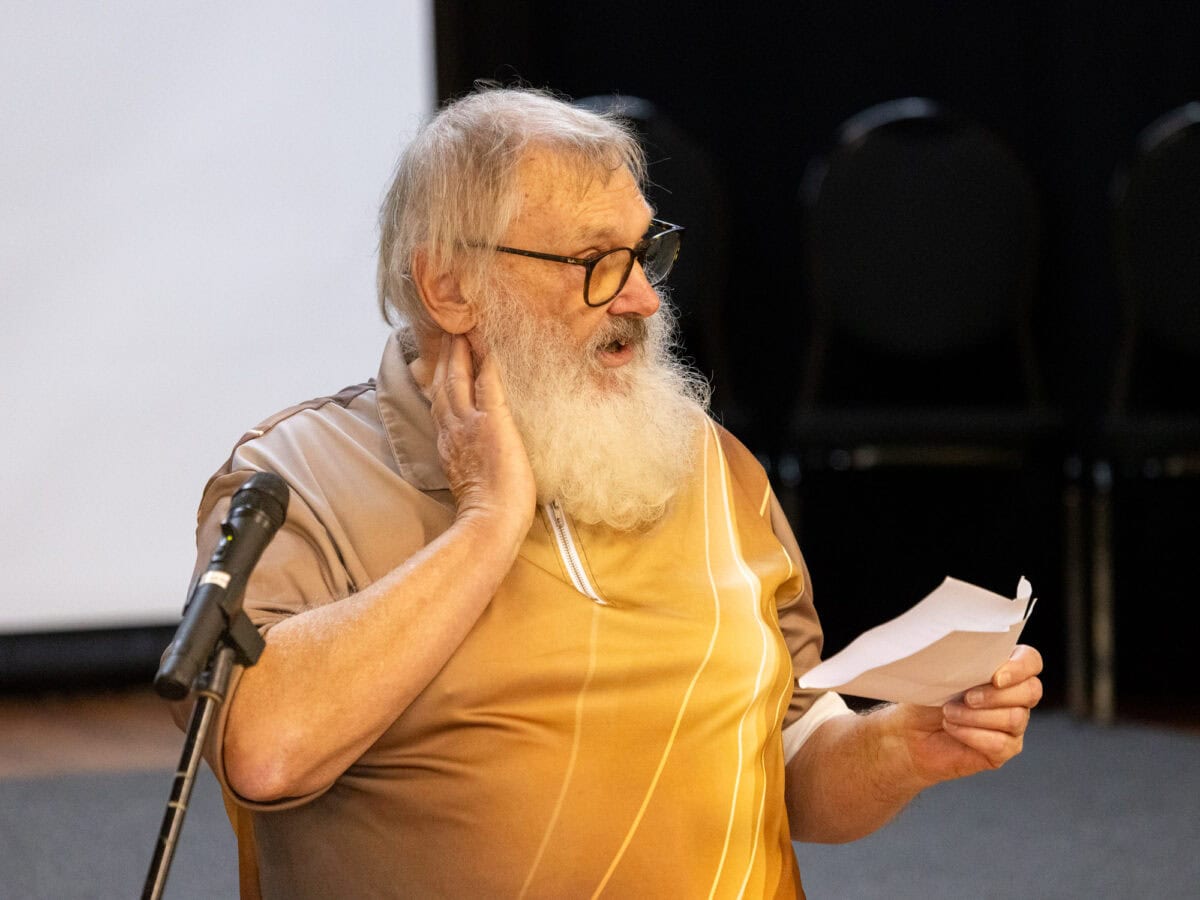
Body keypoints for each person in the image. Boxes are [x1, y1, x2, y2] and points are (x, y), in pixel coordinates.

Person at [184, 87, 1043, 899]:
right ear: (448, 286)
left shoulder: (704, 460)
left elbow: (788, 766)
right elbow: (265, 751)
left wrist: (900, 746)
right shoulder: (298, 477)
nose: (641, 297)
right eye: (594, 261)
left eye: (645, 252)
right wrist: (486, 523)